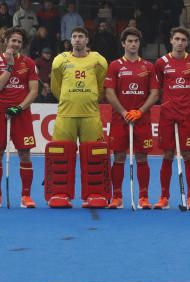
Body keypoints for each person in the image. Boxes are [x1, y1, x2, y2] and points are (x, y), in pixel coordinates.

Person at [48, 27, 109, 208]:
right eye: (74, 37)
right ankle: (60, 194)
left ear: (87, 40)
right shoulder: (60, 61)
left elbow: (100, 86)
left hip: (90, 115)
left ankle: (94, 194)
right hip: (66, 114)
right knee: (61, 154)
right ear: (70, 40)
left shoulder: (99, 61)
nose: (77, 40)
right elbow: (55, 87)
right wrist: (69, 100)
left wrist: (88, 99)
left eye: (81, 37)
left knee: (94, 154)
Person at [104, 28, 159, 209]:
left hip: (142, 119)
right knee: (118, 156)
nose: (133, 44)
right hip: (120, 119)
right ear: (123, 44)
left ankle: (143, 197)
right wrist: (124, 112)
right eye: (130, 41)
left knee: (142, 157)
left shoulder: (148, 67)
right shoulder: (115, 65)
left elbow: (155, 93)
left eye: (136, 41)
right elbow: (110, 93)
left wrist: (140, 111)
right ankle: (117, 196)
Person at [153, 27, 190, 209]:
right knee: (167, 154)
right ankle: (164, 197)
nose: (180, 42)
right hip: (167, 116)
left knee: (188, 154)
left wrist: (186, 104)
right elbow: (156, 89)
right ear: (171, 40)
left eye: (183, 40)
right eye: (177, 39)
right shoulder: (161, 63)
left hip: (187, 116)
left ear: (187, 42)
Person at [0, 28, 39, 208]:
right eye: (13, 40)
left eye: (19, 42)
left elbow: (33, 91)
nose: (15, 44)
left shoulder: (29, 63)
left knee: (25, 154)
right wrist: (9, 65)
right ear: (6, 40)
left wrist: (19, 107)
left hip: (21, 113)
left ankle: (26, 196)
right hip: (0, 112)